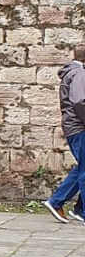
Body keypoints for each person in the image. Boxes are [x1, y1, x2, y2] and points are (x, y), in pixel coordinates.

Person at [44, 44, 85, 224]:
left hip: (74, 126)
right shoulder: (80, 73)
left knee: (82, 167)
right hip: (79, 127)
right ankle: (59, 202)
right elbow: (80, 101)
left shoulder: (73, 72)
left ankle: (74, 208)